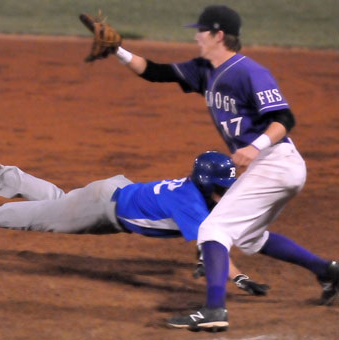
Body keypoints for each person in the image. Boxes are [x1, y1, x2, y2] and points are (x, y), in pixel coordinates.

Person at [104, 4, 338, 332]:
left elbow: (285, 119)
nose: (196, 36)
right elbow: (156, 71)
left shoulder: (249, 72)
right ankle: (326, 271)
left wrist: (256, 146)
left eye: (201, 31)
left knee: (212, 230)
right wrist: (118, 51)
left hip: (276, 161)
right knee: (252, 237)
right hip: (273, 167)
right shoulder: (205, 70)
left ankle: (214, 310)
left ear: (218, 35)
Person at [0, 151, 270, 296]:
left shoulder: (195, 191)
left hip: (113, 193)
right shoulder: (190, 203)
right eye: (220, 186)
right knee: (41, 219)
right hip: (104, 206)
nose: (224, 191)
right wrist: (239, 277)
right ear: (205, 183)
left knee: (60, 202)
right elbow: (212, 245)